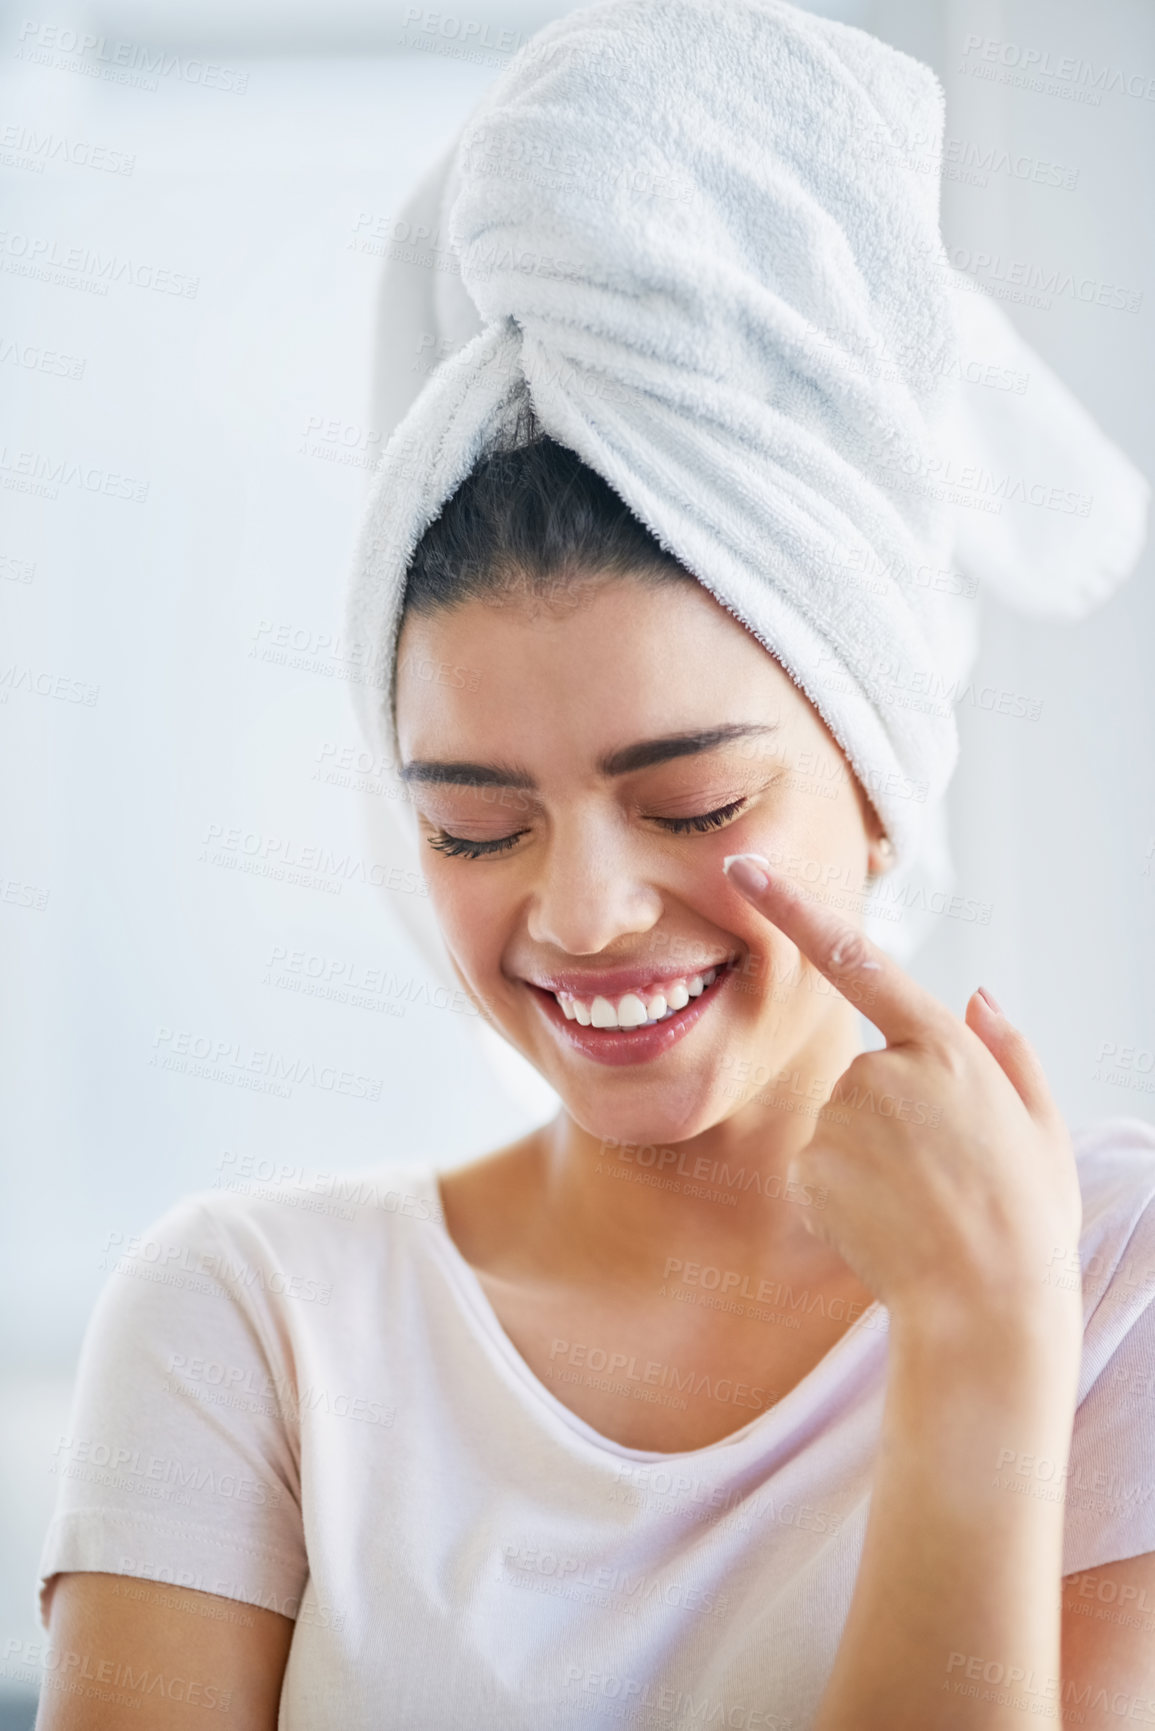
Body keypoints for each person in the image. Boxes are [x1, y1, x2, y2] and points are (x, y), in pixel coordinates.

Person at [35, 0, 1155, 1725]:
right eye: (473, 821)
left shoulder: (1113, 1284)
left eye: (694, 803)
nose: (575, 913)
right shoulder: (248, 1323)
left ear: (877, 777)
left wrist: (982, 1349)